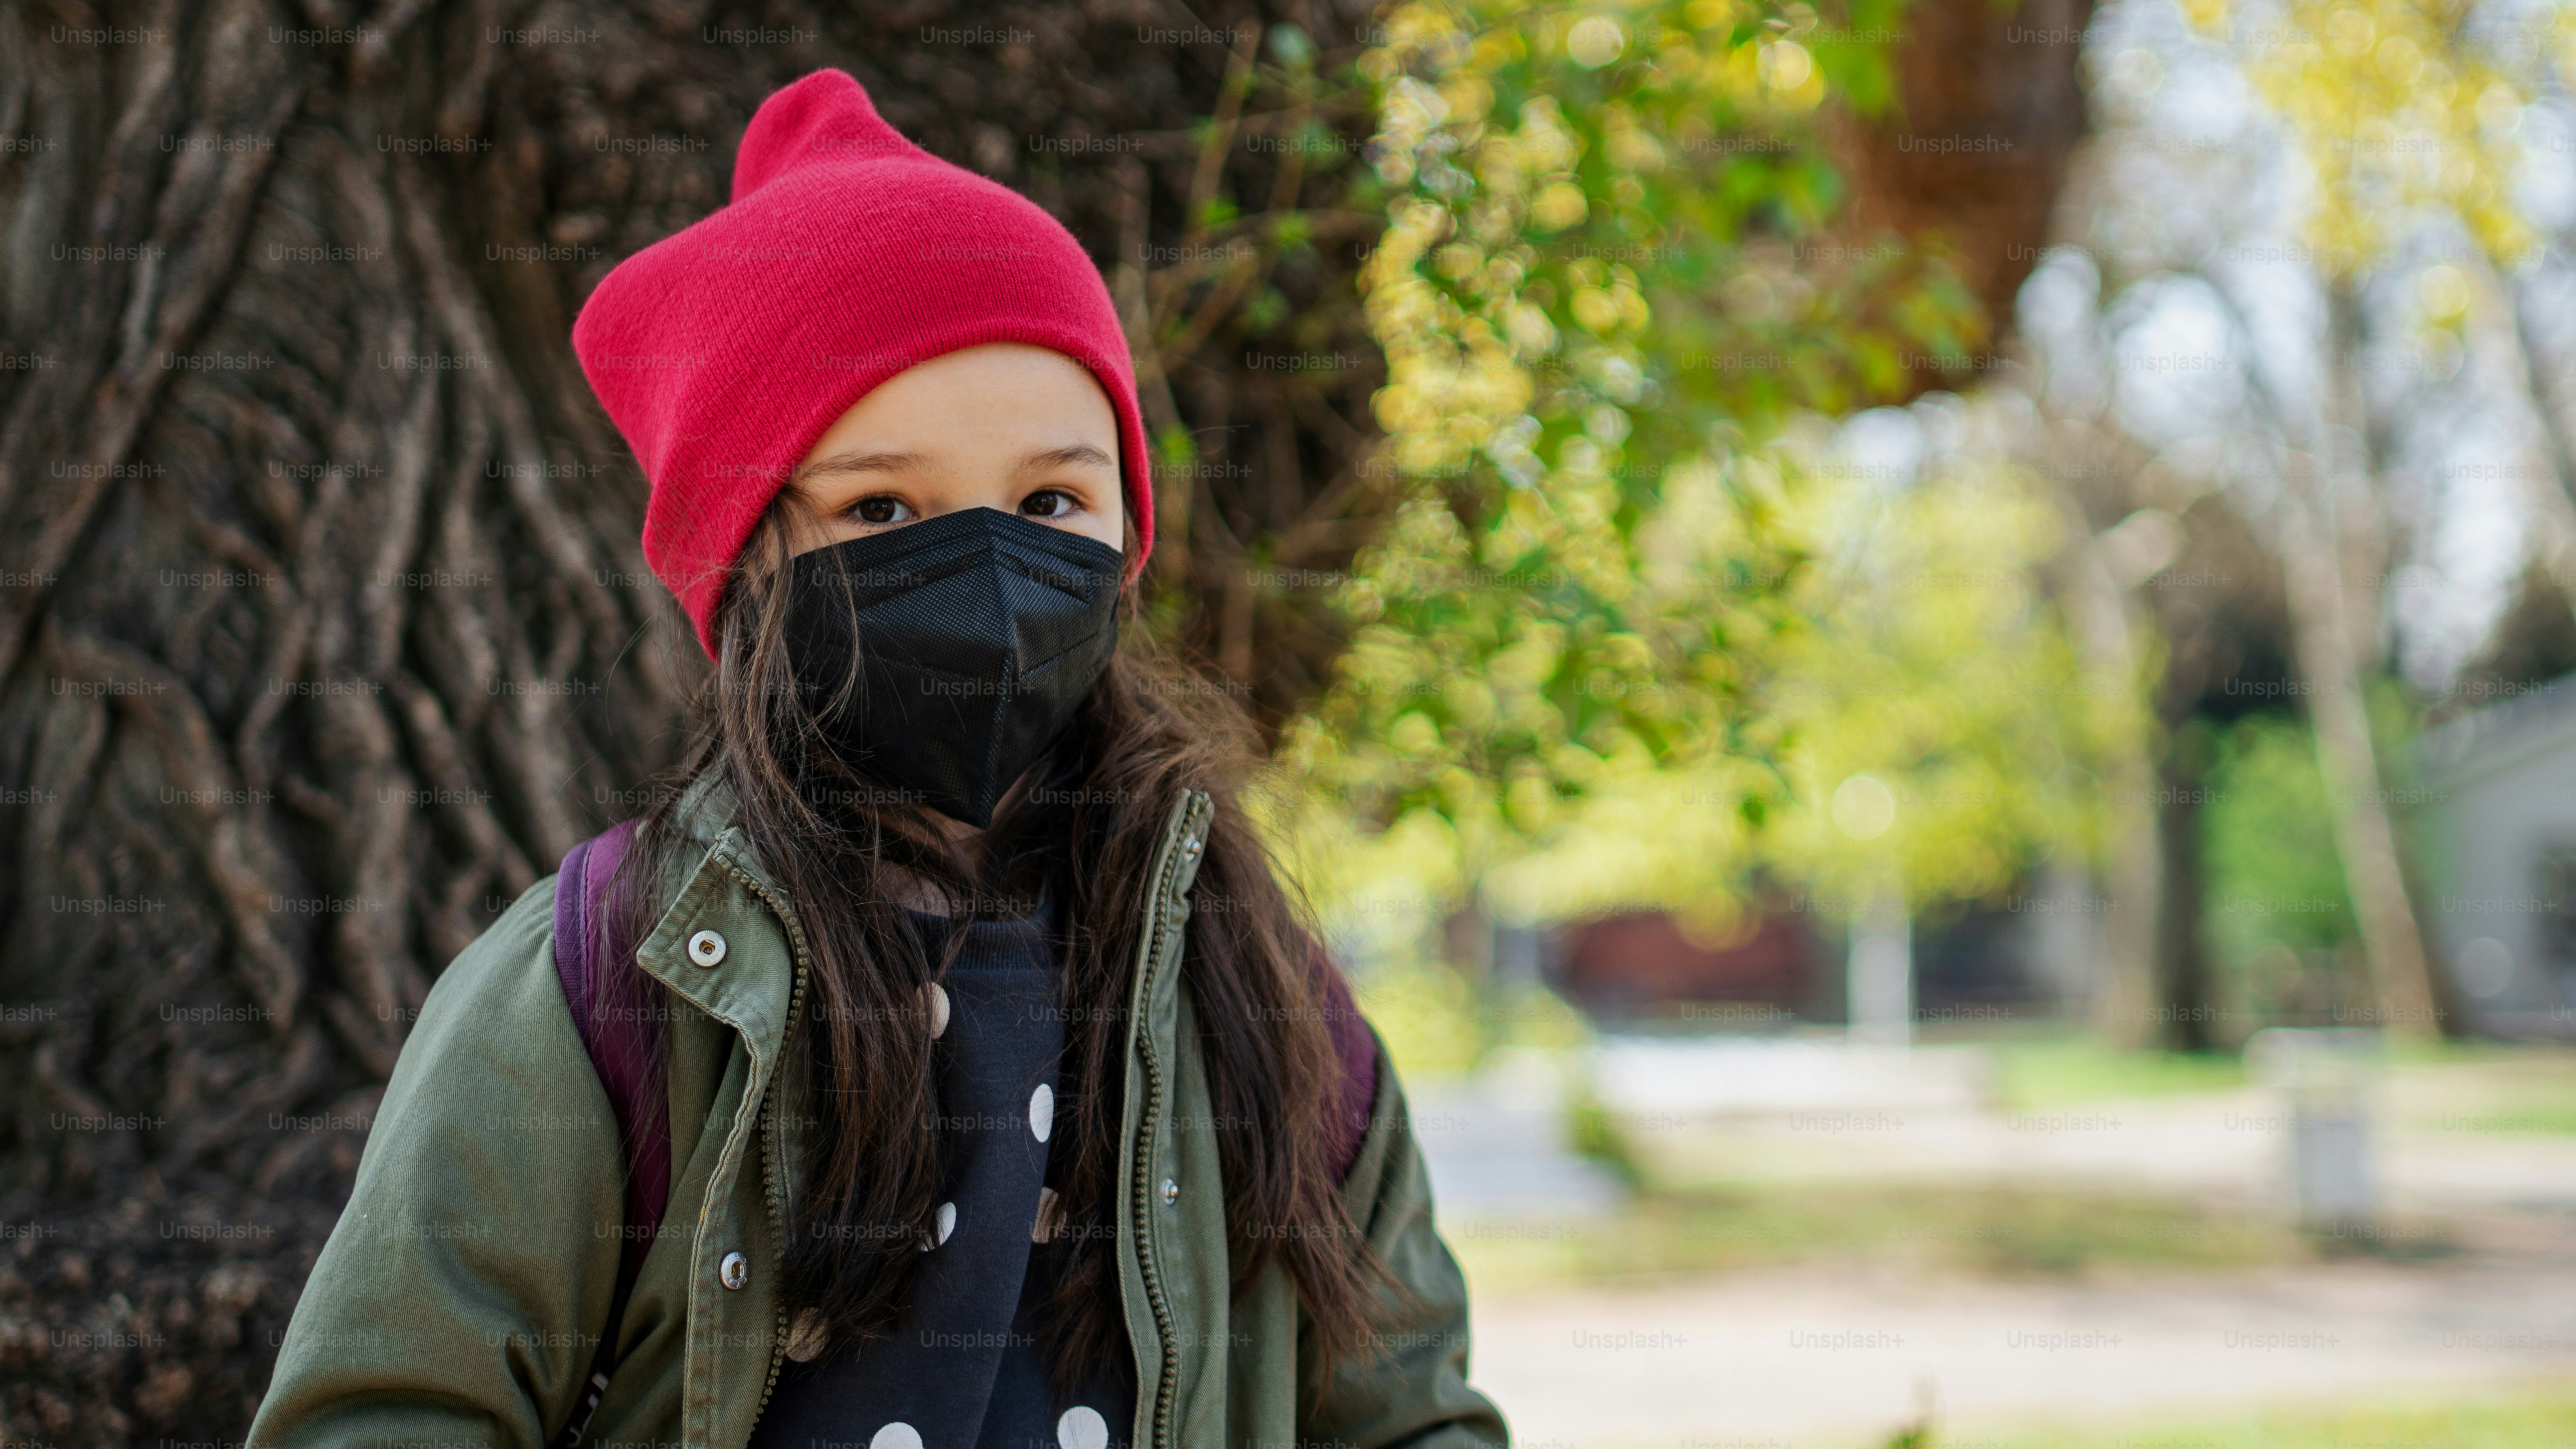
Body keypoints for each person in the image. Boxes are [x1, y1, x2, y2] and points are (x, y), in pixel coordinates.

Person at [246, 67, 1505, 1449]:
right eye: (882, 505)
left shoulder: (1259, 991)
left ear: (1127, 531)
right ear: (746, 566)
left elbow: (1408, 1417)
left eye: (1050, 499)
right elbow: (387, 1413)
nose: (988, 564)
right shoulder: (610, 982)